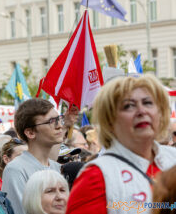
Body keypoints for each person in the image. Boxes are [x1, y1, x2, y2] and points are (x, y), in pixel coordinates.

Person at [66, 75, 176, 214]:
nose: (142, 111)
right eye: (128, 106)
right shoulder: (97, 176)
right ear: (110, 120)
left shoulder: (173, 158)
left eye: (148, 102)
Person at [2, 99, 63, 214]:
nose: (59, 126)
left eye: (59, 119)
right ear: (30, 133)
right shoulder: (16, 170)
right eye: (51, 121)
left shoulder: (57, 168)